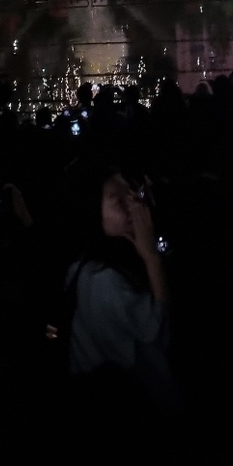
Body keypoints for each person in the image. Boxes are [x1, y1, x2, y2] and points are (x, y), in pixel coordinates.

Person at [67, 168, 172, 405]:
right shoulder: (104, 280)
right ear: (95, 216)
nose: (135, 204)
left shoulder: (87, 265)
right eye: (119, 201)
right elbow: (158, 334)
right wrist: (152, 258)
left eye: (131, 193)